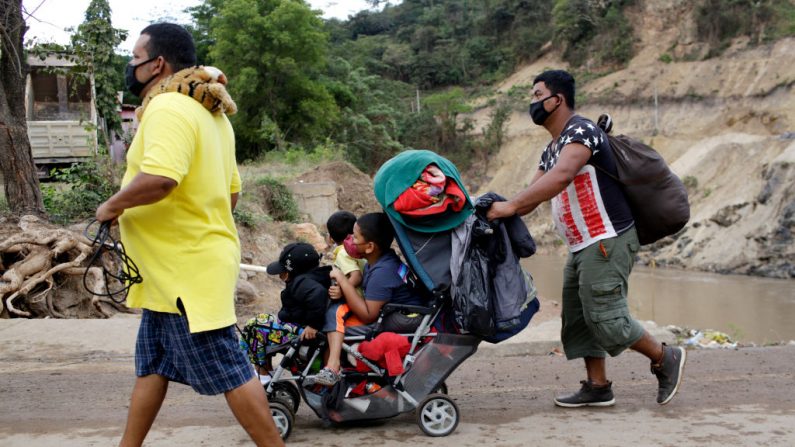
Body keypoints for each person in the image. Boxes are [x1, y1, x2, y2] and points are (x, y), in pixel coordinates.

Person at [95, 23, 284, 446]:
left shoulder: (167, 109)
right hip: (174, 271)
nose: (130, 66)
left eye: (134, 58)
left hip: (186, 273)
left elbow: (162, 178)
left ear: (157, 63)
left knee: (231, 368)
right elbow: (230, 194)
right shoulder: (212, 116)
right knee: (154, 365)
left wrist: (112, 206)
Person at [487, 69, 686, 407]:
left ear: (557, 99)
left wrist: (511, 207)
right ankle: (598, 385)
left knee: (606, 316)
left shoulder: (582, 131)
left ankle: (665, 357)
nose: (533, 103)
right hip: (582, 245)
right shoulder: (550, 149)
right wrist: (492, 208)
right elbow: (533, 195)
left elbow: (563, 176)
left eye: (537, 95)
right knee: (579, 318)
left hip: (608, 239)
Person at [314, 212, 425, 386]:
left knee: (333, 327)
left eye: (355, 237)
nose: (350, 240)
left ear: (370, 247)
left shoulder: (382, 272)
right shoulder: (381, 261)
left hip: (404, 319)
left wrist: (343, 281)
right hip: (398, 313)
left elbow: (368, 315)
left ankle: (335, 369)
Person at [241, 242, 331, 383]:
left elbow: (317, 294)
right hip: (296, 325)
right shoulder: (310, 279)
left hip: (302, 332)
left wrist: (313, 325)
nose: (280, 276)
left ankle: (263, 373)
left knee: (255, 327)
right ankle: (265, 369)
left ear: (292, 272)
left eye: (282, 273)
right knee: (259, 321)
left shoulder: (304, 283)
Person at [325, 210, 365, 291]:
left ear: (330, 238)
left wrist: (341, 290)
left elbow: (357, 277)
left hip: (355, 298)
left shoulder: (342, 253)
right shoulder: (358, 247)